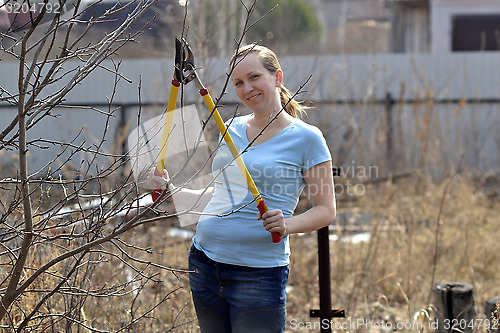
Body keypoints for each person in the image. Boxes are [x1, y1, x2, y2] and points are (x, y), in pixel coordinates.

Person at [149, 43, 336, 333]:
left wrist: (287, 224)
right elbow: (221, 197)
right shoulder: (231, 129)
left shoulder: (307, 138)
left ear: (277, 77)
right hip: (205, 263)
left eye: (254, 77)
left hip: (258, 274)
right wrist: (171, 191)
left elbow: (326, 210)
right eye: (238, 82)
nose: (247, 88)